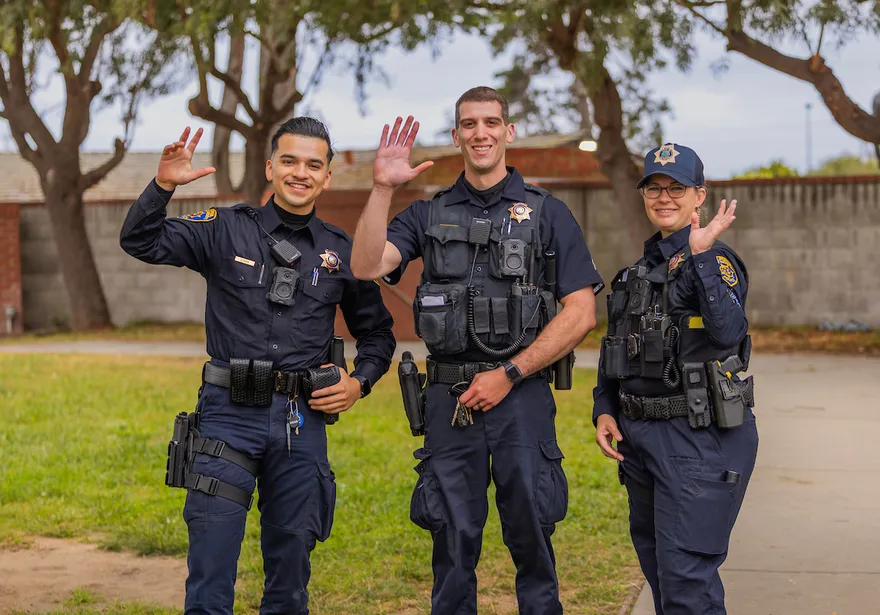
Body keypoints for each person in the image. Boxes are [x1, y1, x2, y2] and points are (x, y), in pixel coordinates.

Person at [119, 118, 396, 615]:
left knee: (290, 580)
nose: (300, 173)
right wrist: (162, 186)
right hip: (227, 417)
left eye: (314, 164)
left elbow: (378, 333)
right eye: (289, 161)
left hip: (301, 424)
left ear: (328, 176)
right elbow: (141, 241)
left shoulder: (341, 252)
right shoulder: (225, 229)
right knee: (211, 571)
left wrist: (359, 383)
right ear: (270, 168)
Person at [350, 86, 603, 615]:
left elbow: (580, 313)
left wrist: (510, 372)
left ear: (508, 132)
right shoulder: (426, 214)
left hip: (523, 397)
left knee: (533, 535)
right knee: (452, 539)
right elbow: (367, 265)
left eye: (491, 123)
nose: (480, 133)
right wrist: (379, 190)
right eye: (469, 124)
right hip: (450, 399)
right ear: (457, 135)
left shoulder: (547, 213)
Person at [592, 143, 759, 615]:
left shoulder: (716, 261)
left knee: (687, 581)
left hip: (698, 439)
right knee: (662, 576)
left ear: (698, 196)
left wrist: (701, 257)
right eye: (655, 188)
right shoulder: (634, 274)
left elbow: (729, 331)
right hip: (641, 439)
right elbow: (613, 353)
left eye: (677, 189)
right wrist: (603, 408)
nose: (664, 198)